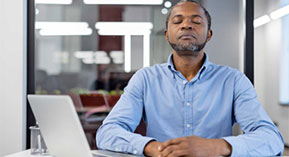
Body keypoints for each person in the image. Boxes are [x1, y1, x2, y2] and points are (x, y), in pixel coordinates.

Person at [96, 0, 284, 156]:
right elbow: (107, 132)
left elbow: (271, 138)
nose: (186, 25)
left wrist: (217, 147)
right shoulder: (145, 79)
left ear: (209, 35)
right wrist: (155, 147)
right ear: (167, 34)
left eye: (196, 21)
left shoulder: (233, 80)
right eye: (178, 21)